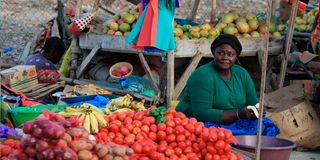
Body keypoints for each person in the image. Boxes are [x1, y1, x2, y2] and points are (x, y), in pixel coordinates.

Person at [176, 34, 279, 136]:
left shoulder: (241, 73)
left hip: (231, 119)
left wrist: (258, 110)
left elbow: (252, 101)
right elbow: (202, 113)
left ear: (236, 56)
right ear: (214, 53)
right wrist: (238, 114)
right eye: (220, 53)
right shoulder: (203, 75)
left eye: (230, 54)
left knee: (266, 126)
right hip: (197, 121)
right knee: (217, 137)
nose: (225, 58)